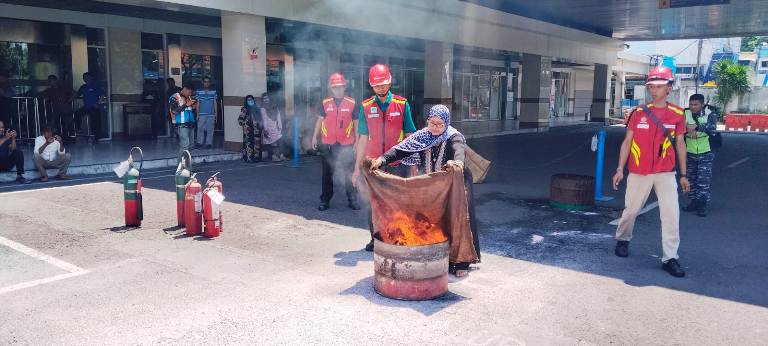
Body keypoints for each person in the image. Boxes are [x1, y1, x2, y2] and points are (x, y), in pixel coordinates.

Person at [370, 105, 480, 277]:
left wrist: (457, 162)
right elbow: (400, 150)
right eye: (432, 122)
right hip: (435, 188)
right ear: (428, 121)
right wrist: (381, 160)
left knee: (458, 218)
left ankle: (461, 262)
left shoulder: (453, 136)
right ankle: (440, 257)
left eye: (439, 124)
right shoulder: (421, 136)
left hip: (457, 182)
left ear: (446, 123)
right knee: (436, 220)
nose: (435, 127)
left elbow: (459, 150)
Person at [612, 66, 690, 278]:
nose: (654, 90)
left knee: (671, 215)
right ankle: (623, 239)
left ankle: (670, 257)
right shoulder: (638, 113)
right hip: (639, 171)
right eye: (651, 86)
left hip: (665, 172)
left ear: (669, 88)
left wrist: (683, 174)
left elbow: (681, 144)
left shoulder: (677, 114)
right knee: (631, 210)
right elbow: (627, 142)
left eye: (659, 86)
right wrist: (620, 168)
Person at [352, 64, 417, 251]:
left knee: (398, 204)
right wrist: (357, 168)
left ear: (389, 82)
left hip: (397, 163)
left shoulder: (402, 104)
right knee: (374, 204)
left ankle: (397, 237)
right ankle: (376, 238)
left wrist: (412, 163)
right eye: (377, 85)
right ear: (372, 86)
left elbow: (410, 135)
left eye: (383, 84)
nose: (381, 88)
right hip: (373, 165)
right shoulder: (365, 107)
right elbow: (363, 139)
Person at [311, 73, 360, 211]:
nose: (338, 89)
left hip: (346, 144)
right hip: (328, 144)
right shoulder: (325, 103)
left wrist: (356, 141)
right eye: (335, 87)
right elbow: (320, 121)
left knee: (348, 174)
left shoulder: (352, 103)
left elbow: (356, 123)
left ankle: (352, 199)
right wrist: (314, 137)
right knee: (327, 174)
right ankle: (325, 200)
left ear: (345, 87)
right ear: (331, 88)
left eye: (340, 87)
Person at [683, 94, 718, 217]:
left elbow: (712, 128)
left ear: (702, 104)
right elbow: (679, 127)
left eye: (696, 104)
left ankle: (702, 205)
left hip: (706, 151)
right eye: (691, 104)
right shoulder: (685, 113)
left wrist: (697, 127)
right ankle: (693, 202)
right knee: (691, 179)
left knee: (703, 180)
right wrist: (688, 129)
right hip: (690, 151)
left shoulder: (710, 113)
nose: (693, 107)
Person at [74, 72, 106, 139]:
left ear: (91, 78)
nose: (86, 79)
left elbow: (102, 95)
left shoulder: (95, 86)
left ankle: (97, 137)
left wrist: (98, 103)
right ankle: (79, 129)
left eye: (87, 77)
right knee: (77, 114)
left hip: (94, 107)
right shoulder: (83, 87)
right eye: (84, 78)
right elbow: (77, 94)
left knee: (96, 121)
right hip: (86, 107)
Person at [169, 83, 197, 158]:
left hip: (190, 124)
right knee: (185, 145)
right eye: (189, 92)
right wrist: (186, 105)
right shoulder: (175, 97)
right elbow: (174, 111)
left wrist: (194, 104)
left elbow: (191, 109)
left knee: (191, 146)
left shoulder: (189, 97)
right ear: (184, 89)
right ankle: (180, 166)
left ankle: (187, 165)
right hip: (181, 125)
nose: (190, 94)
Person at [260, 92, 285, 162]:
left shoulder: (275, 106)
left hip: (275, 126)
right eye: (264, 98)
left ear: (269, 98)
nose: (266, 100)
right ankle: (274, 157)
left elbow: (278, 116)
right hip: (268, 128)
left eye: (267, 98)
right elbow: (264, 119)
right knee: (272, 143)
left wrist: (280, 126)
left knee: (279, 141)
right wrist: (265, 129)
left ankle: (281, 155)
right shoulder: (263, 108)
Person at [195, 76, 218, 149]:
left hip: (211, 114)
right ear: (202, 82)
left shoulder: (213, 91)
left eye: (208, 82)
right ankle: (199, 142)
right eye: (205, 81)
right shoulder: (198, 91)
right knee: (200, 128)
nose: (207, 83)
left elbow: (215, 103)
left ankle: (209, 143)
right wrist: (197, 114)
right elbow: (197, 103)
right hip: (201, 114)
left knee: (210, 129)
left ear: (210, 83)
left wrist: (216, 114)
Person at [237, 95, 261, 162]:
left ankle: (256, 158)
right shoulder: (244, 109)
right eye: (248, 100)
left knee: (256, 144)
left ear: (253, 100)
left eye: (251, 100)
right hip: (248, 131)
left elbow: (260, 119)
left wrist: (259, 124)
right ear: (246, 101)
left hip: (256, 130)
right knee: (248, 144)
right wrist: (245, 124)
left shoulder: (256, 108)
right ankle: (248, 158)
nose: (250, 101)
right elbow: (240, 120)